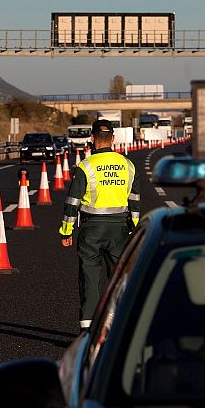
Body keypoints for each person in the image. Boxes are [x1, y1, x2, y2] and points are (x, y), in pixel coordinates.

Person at [59, 119, 140, 331]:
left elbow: (72, 202)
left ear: (92, 138)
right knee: (119, 280)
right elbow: (135, 201)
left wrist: (66, 231)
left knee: (89, 280)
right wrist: (135, 228)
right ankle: (120, 328)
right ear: (113, 139)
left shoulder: (85, 166)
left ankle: (87, 331)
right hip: (120, 230)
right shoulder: (128, 165)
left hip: (91, 230)